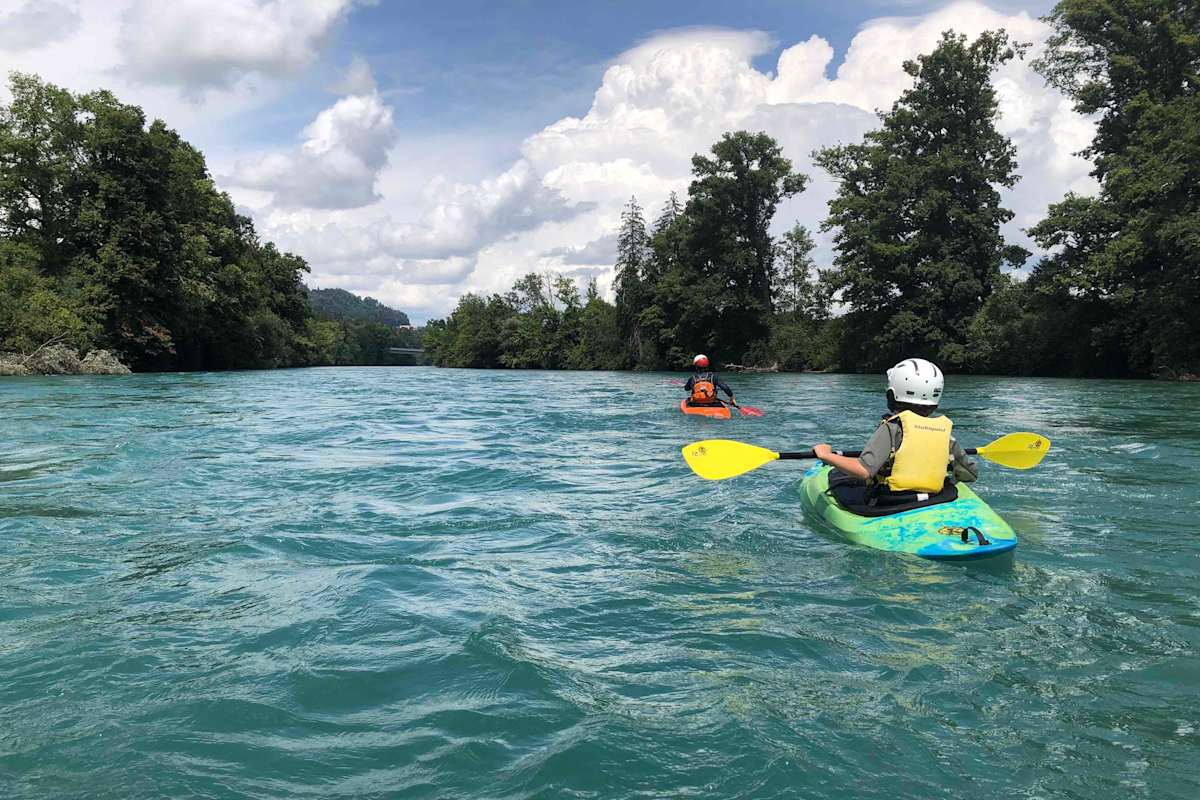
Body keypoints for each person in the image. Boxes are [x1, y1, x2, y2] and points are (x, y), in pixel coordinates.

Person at [813, 358, 977, 508]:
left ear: (892, 395)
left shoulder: (892, 428)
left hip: (891, 501)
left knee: (840, 480)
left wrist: (825, 455)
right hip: (934, 498)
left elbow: (863, 471)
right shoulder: (946, 434)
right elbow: (970, 474)